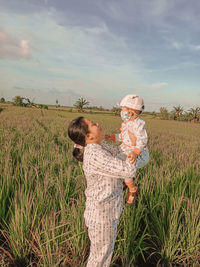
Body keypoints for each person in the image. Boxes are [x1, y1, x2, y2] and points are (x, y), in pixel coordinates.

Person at [68, 116, 137, 267]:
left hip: (108, 212)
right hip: (101, 216)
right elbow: (128, 169)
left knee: (104, 255)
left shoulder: (100, 146)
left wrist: (131, 142)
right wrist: (134, 152)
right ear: (88, 136)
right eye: (93, 124)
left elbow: (119, 151)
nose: (98, 124)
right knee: (100, 258)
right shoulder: (95, 155)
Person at [105, 94, 149, 204]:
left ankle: (133, 189)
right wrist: (114, 137)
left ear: (130, 112)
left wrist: (135, 152)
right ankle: (126, 182)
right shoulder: (127, 123)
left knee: (126, 166)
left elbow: (143, 140)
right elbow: (125, 137)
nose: (121, 112)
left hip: (138, 154)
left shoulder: (138, 125)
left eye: (122, 109)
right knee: (117, 160)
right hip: (127, 150)